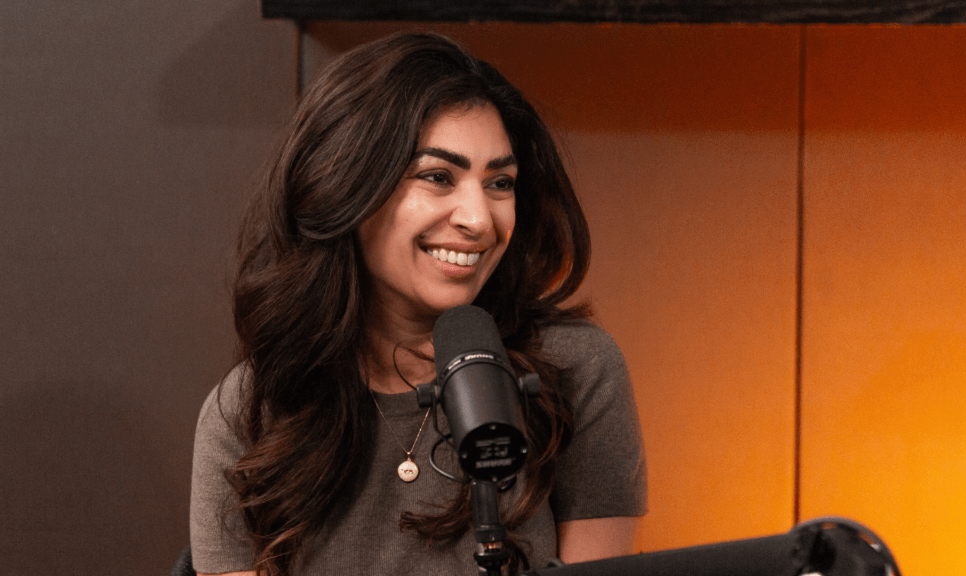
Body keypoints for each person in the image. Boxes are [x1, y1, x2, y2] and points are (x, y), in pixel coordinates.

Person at [189, 32, 646, 576]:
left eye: (500, 182)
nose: (479, 219)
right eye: (437, 176)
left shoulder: (576, 370)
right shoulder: (249, 411)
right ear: (345, 185)